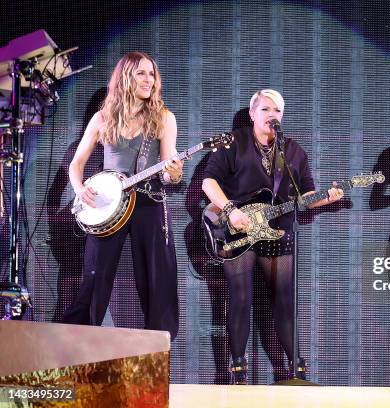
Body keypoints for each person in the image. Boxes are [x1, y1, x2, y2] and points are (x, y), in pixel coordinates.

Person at [202, 89, 344, 384]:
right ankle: (238, 366)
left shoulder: (292, 151)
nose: (272, 115)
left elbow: (305, 195)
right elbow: (208, 181)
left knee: (285, 300)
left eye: (277, 110)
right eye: (266, 110)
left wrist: (327, 197)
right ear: (252, 114)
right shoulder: (234, 143)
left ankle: (296, 366)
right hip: (237, 228)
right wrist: (230, 210)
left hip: (277, 229)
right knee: (240, 296)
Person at [65, 52, 182, 340]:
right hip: (108, 206)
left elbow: (168, 173)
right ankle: (77, 351)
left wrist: (174, 173)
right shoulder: (102, 117)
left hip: (149, 201)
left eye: (152, 74)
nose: (149, 80)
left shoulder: (164, 118)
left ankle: (155, 352)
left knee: (159, 280)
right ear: (126, 77)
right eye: (141, 73)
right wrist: (81, 190)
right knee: (93, 279)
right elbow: (75, 165)